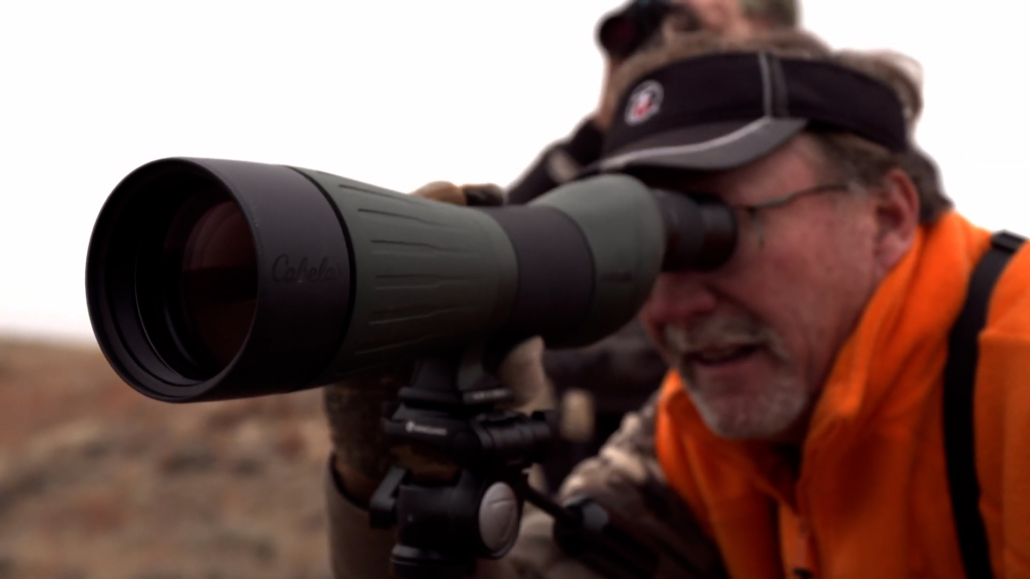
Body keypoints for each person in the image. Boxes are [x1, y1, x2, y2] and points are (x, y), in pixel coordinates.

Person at [324, 26, 1030, 579]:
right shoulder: (701, 437)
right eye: (651, 249)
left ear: (887, 215)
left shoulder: (1015, 375)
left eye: (713, 232)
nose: (675, 302)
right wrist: (390, 473)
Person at [505, 0, 800, 491]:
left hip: (716, 433)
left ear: (767, 26)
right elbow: (514, 239)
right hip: (596, 441)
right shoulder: (622, 155)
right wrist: (608, 119)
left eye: (696, 25)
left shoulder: (809, 147)